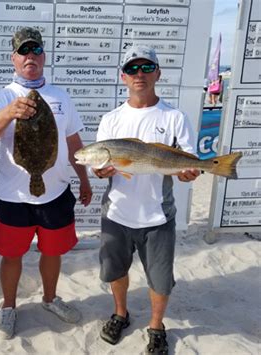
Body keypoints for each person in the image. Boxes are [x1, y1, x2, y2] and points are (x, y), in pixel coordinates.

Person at [0, 27, 92, 339]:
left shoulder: (61, 96)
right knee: (11, 254)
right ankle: (8, 306)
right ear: (13, 58)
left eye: (35, 50)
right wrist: (9, 113)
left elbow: (73, 142)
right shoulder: (2, 97)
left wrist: (84, 178)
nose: (30, 56)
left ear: (44, 56)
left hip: (55, 192)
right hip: (13, 195)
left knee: (52, 251)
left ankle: (50, 298)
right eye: (23, 51)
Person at [92, 46, 200, 354]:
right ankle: (120, 314)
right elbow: (103, 167)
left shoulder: (175, 117)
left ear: (157, 73)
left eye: (146, 68)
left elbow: (187, 161)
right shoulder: (110, 120)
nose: (140, 75)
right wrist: (100, 172)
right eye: (133, 69)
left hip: (158, 216)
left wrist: (188, 172)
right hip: (116, 213)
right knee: (115, 270)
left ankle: (156, 326)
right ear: (123, 76)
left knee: (161, 279)